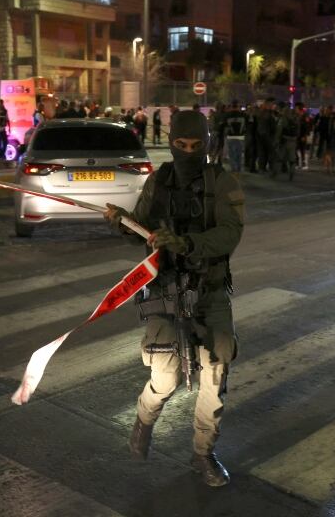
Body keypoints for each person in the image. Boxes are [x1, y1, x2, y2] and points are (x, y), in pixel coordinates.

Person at [103, 110, 245, 488]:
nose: (188, 152)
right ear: (171, 143)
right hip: (166, 290)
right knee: (165, 378)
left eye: (196, 146)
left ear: (208, 144)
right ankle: (144, 421)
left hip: (210, 292)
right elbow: (144, 230)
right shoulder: (159, 181)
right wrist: (124, 224)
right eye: (181, 145)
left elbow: (230, 233)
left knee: (215, 376)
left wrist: (189, 244)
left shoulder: (223, 183)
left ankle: (203, 453)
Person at [273, 102, 298, 179]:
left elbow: (279, 131)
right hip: (293, 141)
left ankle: (275, 173)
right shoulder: (294, 118)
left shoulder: (283, 119)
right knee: (292, 159)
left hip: (284, 141)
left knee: (279, 158)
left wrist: (276, 141)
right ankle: (292, 173)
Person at [224, 100, 246, 173]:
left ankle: (233, 168)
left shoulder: (227, 115)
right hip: (240, 137)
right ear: (238, 106)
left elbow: (225, 126)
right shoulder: (243, 115)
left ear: (231, 106)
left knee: (232, 154)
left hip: (230, 137)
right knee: (239, 154)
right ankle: (238, 168)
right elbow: (246, 126)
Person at [256, 97, 277, 173]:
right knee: (270, 152)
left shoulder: (261, 112)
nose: (274, 106)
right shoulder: (268, 114)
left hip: (260, 134)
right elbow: (272, 126)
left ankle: (262, 168)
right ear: (269, 104)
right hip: (267, 135)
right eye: (273, 104)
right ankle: (271, 168)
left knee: (262, 152)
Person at [295, 102, 310, 170]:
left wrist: (305, 136)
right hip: (296, 135)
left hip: (302, 135)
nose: (295, 109)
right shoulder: (296, 116)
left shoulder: (305, 116)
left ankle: (304, 163)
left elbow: (307, 127)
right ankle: (297, 163)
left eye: (296, 108)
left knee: (302, 150)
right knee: (295, 149)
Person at [244, 104, 258, 173]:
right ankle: (252, 167)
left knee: (248, 151)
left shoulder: (246, 117)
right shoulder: (251, 117)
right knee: (252, 152)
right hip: (251, 136)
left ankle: (248, 165)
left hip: (249, 136)